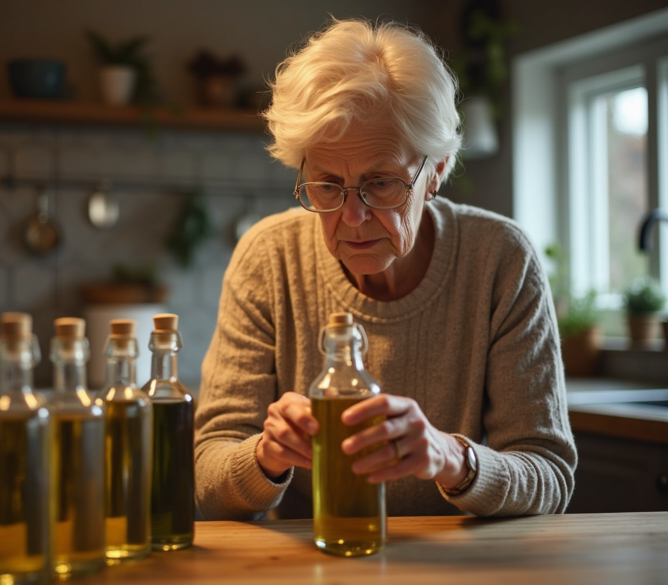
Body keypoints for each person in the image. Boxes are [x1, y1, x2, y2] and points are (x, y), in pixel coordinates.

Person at [195, 18, 577, 520]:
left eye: (381, 183)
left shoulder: (500, 259)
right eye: (327, 185)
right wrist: (265, 457)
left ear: (436, 170)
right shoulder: (268, 257)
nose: (352, 217)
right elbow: (207, 476)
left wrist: (452, 458)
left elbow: (549, 475)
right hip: (310, 555)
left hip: (454, 559)